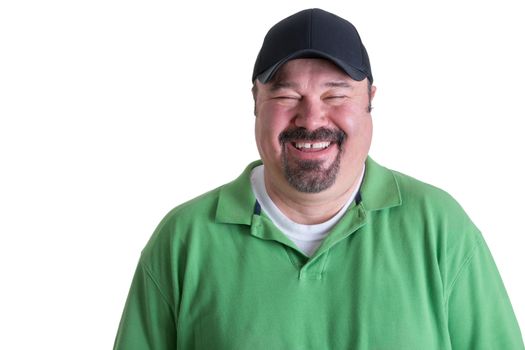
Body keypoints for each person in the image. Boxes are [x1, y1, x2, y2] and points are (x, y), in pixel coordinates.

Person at [113, 8, 524, 349]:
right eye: (287, 95)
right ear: (256, 102)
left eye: (335, 94)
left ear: (370, 101)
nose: (311, 119)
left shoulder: (441, 230)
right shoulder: (183, 241)